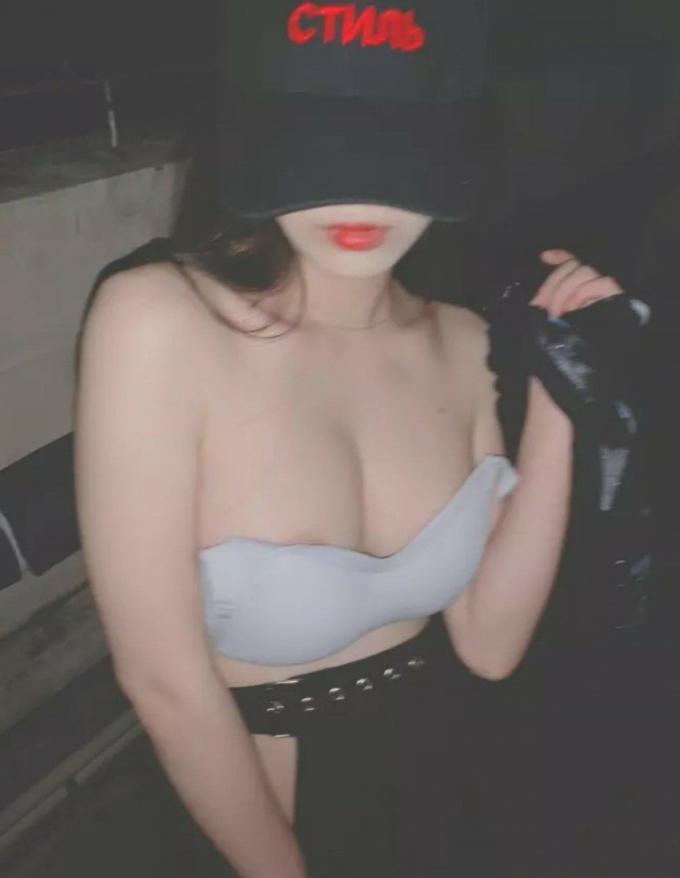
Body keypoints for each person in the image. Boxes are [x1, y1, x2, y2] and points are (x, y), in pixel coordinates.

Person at [72, 2, 649, 876]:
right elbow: (163, 680)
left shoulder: (463, 341)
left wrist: (561, 399)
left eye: (395, 150)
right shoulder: (159, 320)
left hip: (454, 776)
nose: (359, 197)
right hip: (263, 823)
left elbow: (490, 645)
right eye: (318, 146)